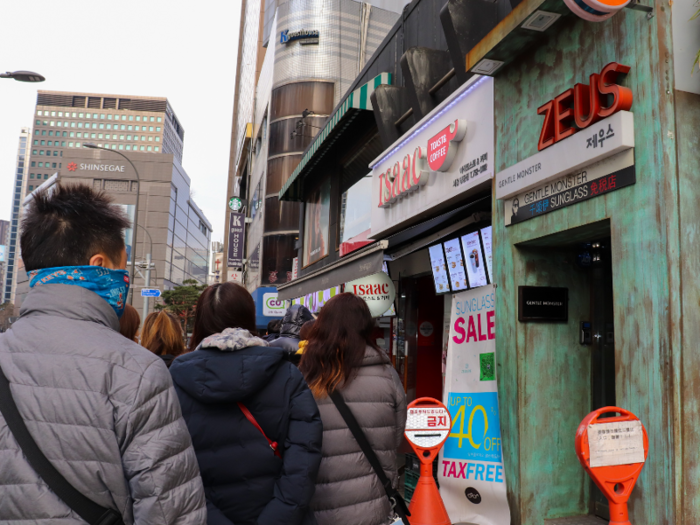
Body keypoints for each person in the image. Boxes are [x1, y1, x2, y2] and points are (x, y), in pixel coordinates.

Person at [0, 184, 205, 523]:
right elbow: (170, 513)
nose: (125, 279)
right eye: (121, 268)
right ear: (99, 264)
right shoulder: (136, 372)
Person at [171, 282, 323, 525]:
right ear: (249, 317)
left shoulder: (175, 381)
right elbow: (304, 460)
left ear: (199, 323)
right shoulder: (288, 376)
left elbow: (173, 468)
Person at [299, 293, 407, 525]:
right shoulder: (387, 374)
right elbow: (396, 435)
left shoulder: (307, 374)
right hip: (374, 503)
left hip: (318, 504)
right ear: (366, 326)